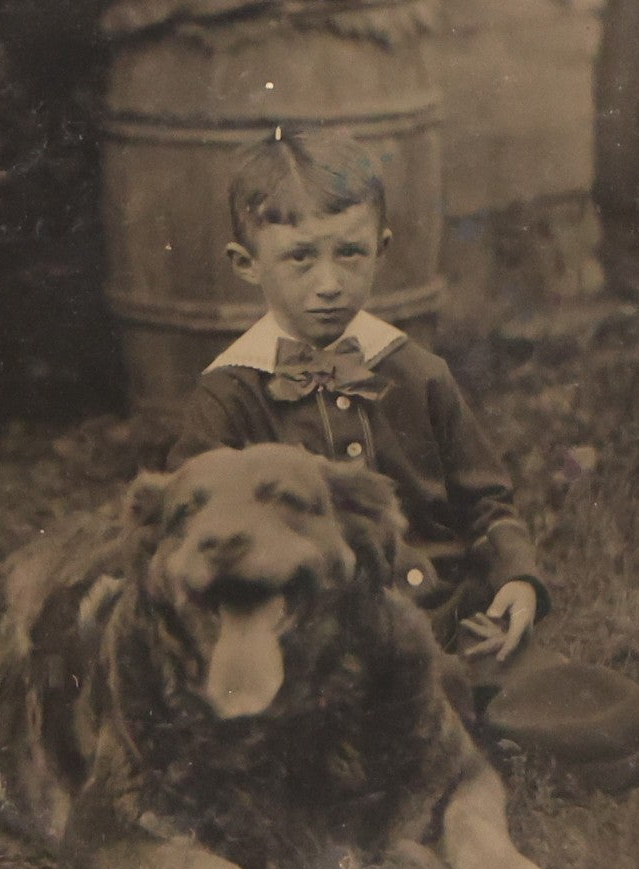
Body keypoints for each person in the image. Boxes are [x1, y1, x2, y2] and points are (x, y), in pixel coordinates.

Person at [166, 127, 549, 676]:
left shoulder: (418, 374)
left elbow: (486, 500)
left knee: (578, 715)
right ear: (246, 263)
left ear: (381, 249)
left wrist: (516, 577)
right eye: (299, 258)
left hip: (440, 613)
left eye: (350, 253)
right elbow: (193, 534)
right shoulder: (230, 395)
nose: (329, 284)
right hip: (305, 634)